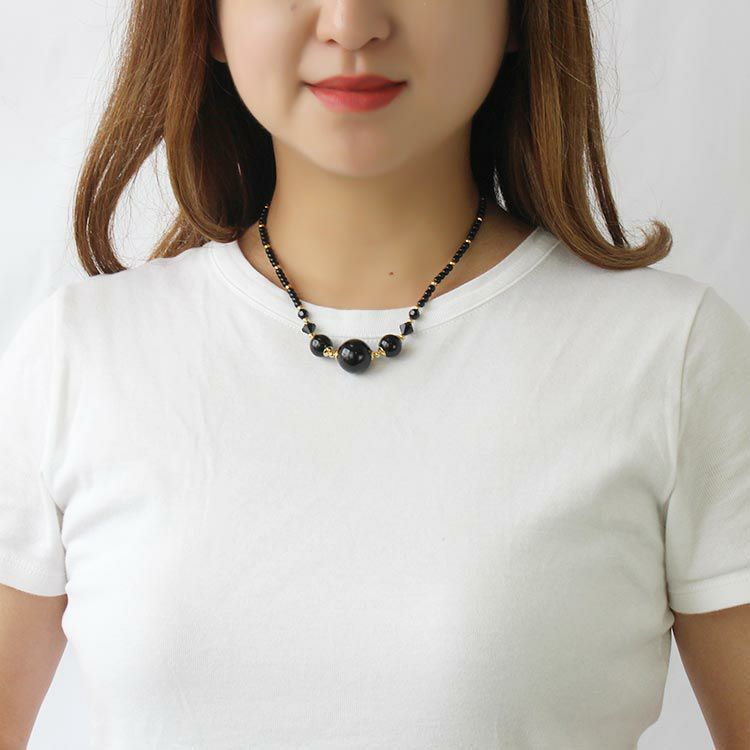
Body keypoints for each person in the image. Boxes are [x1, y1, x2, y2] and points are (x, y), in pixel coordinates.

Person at [1, 0, 749, 748]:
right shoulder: (78, 356)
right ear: (206, 21)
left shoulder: (670, 355)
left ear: (519, 15)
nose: (350, 23)